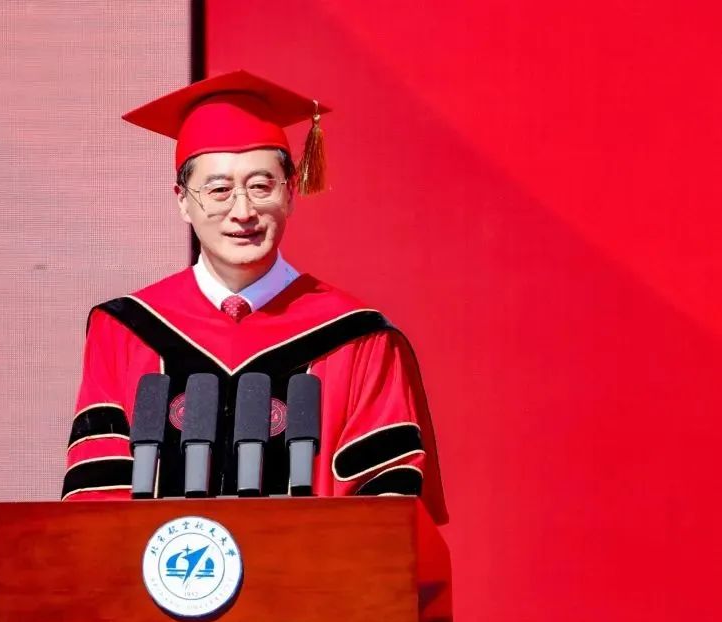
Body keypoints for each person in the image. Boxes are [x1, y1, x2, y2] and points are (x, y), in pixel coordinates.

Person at [61, 70, 447, 525]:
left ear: (291, 193)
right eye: (219, 190)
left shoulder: (359, 339)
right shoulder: (125, 331)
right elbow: (97, 499)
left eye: (261, 187)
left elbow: (388, 514)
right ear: (182, 200)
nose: (242, 211)